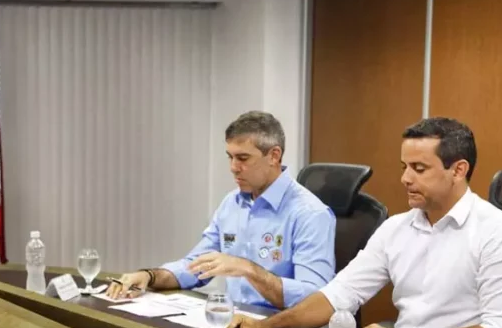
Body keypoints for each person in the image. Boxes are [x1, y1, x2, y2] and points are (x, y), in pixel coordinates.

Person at [225, 117, 502, 328]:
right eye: (404, 167)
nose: (405, 179)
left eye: (419, 169)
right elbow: (337, 296)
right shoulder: (396, 228)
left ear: (458, 170)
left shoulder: (500, 233)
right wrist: (263, 327)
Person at [106, 111, 336, 310]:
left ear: (274, 156)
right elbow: (197, 264)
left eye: (243, 158)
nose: (233, 168)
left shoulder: (310, 213)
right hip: (236, 324)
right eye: (230, 157)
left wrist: (248, 269)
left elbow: (316, 298)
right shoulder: (232, 203)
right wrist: (150, 276)